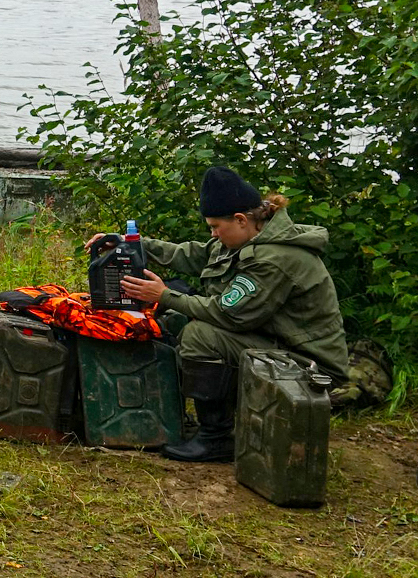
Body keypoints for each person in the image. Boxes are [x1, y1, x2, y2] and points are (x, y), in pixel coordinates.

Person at [103, 166, 349, 463]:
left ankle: (217, 437)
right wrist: (128, 243)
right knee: (181, 317)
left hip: (308, 364)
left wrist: (163, 295)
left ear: (241, 220)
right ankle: (206, 419)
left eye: (215, 227)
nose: (213, 234)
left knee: (200, 335)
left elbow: (228, 314)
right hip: (276, 341)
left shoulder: (275, 259)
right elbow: (191, 255)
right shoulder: (245, 239)